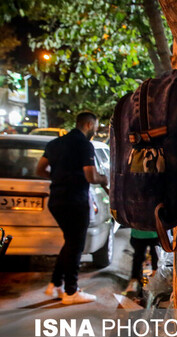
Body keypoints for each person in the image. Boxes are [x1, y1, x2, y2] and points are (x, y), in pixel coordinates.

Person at [36, 112, 108, 304]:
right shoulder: (84, 145)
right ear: (88, 124)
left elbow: (40, 169)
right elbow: (91, 176)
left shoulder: (54, 144)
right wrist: (104, 178)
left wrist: (59, 178)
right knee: (76, 245)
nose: (95, 130)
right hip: (75, 201)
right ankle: (71, 291)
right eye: (95, 126)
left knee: (70, 242)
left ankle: (55, 284)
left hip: (56, 200)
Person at [124, 228, 160, 296]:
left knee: (138, 258)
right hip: (154, 232)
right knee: (155, 255)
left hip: (138, 232)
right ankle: (155, 280)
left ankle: (135, 283)